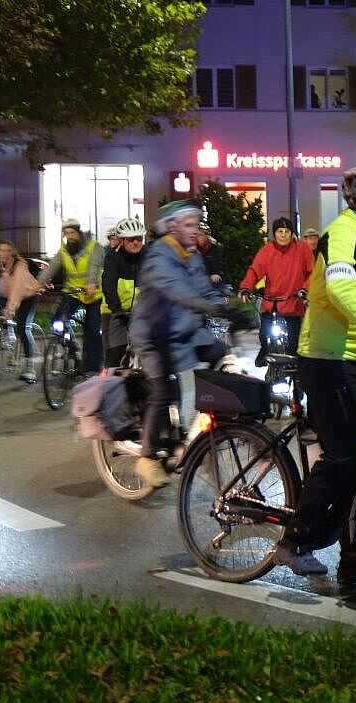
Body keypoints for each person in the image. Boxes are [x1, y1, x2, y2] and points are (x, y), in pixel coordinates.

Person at [272, 163, 356, 587]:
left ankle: (354, 560)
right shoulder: (345, 231)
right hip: (329, 358)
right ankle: (295, 542)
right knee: (344, 453)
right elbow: (342, 289)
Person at [128, 201, 235, 489]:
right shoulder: (158, 255)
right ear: (171, 227)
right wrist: (209, 307)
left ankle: (192, 435)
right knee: (163, 391)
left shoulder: (192, 256)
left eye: (196, 224)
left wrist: (228, 306)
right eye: (188, 224)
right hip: (154, 336)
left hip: (184, 334)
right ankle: (148, 456)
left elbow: (203, 290)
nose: (194, 230)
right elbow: (179, 291)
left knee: (222, 356)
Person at [238, 216, 314, 363]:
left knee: (294, 341)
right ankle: (265, 349)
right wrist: (246, 287)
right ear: (275, 233)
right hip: (271, 301)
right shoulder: (267, 250)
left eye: (286, 231)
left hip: (293, 301)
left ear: (292, 233)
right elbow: (255, 270)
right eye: (280, 231)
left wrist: (305, 289)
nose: (283, 234)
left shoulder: (302, 249)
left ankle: (295, 371)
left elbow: (312, 272)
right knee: (264, 332)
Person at [34, 218, 104, 374]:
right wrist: (38, 284)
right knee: (58, 320)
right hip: (73, 292)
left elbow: (94, 267)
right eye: (66, 234)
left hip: (94, 293)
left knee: (92, 330)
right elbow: (51, 268)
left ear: (79, 232)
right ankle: (72, 346)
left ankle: (93, 368)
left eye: (72, 233)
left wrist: (92, 283)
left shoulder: (94, 247)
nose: (69, 237)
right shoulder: (64, 251)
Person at [100, 217, 146, 369]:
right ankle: (110, 387)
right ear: (121, 240)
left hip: (144, 313)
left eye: (139, 239)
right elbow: (109, 285)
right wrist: (117, 310)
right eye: (131, 239)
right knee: (115, 355)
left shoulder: (148, 256)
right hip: (119, 312)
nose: (135, 243)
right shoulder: (113, 258)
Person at [0, 239, 41, 382]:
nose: (4, 253)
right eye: (1, 250)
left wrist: (11, 308)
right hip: (4, 295)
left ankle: (29, 367)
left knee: (23, 327)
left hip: (28, 295)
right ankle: (9, 335)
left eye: (7, 250)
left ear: (12, 252)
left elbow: (17, 288)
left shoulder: (19, 265)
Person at [195, 221, 223, 286]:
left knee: (222, 287)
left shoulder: (213, 247)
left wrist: (215, 273)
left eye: (201, 235)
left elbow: (217, 263)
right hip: (192, 277)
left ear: (207, 236)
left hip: (208, 278)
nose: (198, 238)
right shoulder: (190, 246)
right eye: (196, 235)